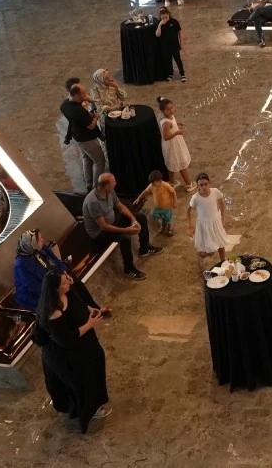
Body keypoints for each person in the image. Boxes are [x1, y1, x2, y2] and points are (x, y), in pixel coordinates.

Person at [33, 270, 110, 432]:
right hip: (66, 355)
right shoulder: (54, 312)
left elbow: (79, 304)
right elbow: (66, 340)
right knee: (83, 381)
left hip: (84, 344)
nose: (69, 281)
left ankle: (96, 400)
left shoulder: (68, 291)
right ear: (55, 289)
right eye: (64, 281)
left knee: (95, 367)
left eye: (67, 278)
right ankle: (89, 410)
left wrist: (89, 309)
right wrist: (90, 324)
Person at [82, 173, 161, 280]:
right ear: (106, 186)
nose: (116, 183)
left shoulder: (109, 191)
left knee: (140, 217)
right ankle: (129, 269)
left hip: (113, 221)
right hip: (99, 232)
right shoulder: (93, 202)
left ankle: (145, 248)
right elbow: (103, 226)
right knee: (125, 238)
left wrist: (133, 219)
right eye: (113, 182)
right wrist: (126, 230)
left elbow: (120, 206)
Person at [13, 228, 106, 313]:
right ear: (32, 244)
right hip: (39, 294)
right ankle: (87, 313)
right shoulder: (20, 264)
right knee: (69, 292)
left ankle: (95, 308)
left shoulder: (40, 248)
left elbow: (55, 260)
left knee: (77, 283)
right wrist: (56, 289)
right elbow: (32, 286)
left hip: (56, 279)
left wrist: (65, 273)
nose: (43, 240)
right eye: (40, 240)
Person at [61, 83, 103, 192]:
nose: (85, 96)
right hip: (87, 139)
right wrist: (96, 117)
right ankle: (96, 188)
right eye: (83, 94)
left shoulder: (65, 105)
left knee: (87, 158)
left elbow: (76, 119)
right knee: (99, 161)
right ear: (76, 95)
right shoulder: (78, 110)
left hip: (77, 136)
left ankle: (88, 183)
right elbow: (91, 126)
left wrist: (87, 99)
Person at [187, 172, 228, 274]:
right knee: (211, 251)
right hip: (205, 225)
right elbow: (188, 210)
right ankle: (201, 255)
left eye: (206, 184)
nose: (204, 187)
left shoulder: (215, 192)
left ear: (209, 183)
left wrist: (223, 218)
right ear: (197, 185)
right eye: (201, 185)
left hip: (216, 222)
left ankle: (224, 262)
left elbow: (222, 204)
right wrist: (190, 226)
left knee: (221, 244)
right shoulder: (196, 197)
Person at [157, 96, 193, 191]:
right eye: (168, 109)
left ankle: (172, 182)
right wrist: (177, 132)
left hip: (174, 144)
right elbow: (166, 137)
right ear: (163, 111)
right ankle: (189, 184)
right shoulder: (166, 122)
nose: (172, 110)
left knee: (171, 163)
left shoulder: (169, 117)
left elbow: (172, 126)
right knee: (181, 163)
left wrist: (177, 125)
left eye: (172, 107)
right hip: (173, 145)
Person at [131, 170, 178, 237]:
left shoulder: (166, 185)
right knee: (155, 215)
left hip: (167, 207)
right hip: (158, 207)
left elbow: (173, 193)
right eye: (151, 183)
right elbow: (145, 191)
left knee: (168, 218)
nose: (152, 184)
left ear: (159, 181)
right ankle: (164, 220)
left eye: (153, 183)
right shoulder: (151, 186)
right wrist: (138, 198)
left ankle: (170, 229)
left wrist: (175, 202)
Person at [155, 6, 186, 82]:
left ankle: (182, 74)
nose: (165, 19)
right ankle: (170, 74)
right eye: (163, 18)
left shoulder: (174, 22)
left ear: (169, 14)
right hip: (165, 46)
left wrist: (181, 43)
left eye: (166, 17)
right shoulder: (159, 23)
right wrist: (160, 25)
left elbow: (180, 32)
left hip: (174, 45)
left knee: (177, 59)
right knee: (168, 61)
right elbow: (157, 35)